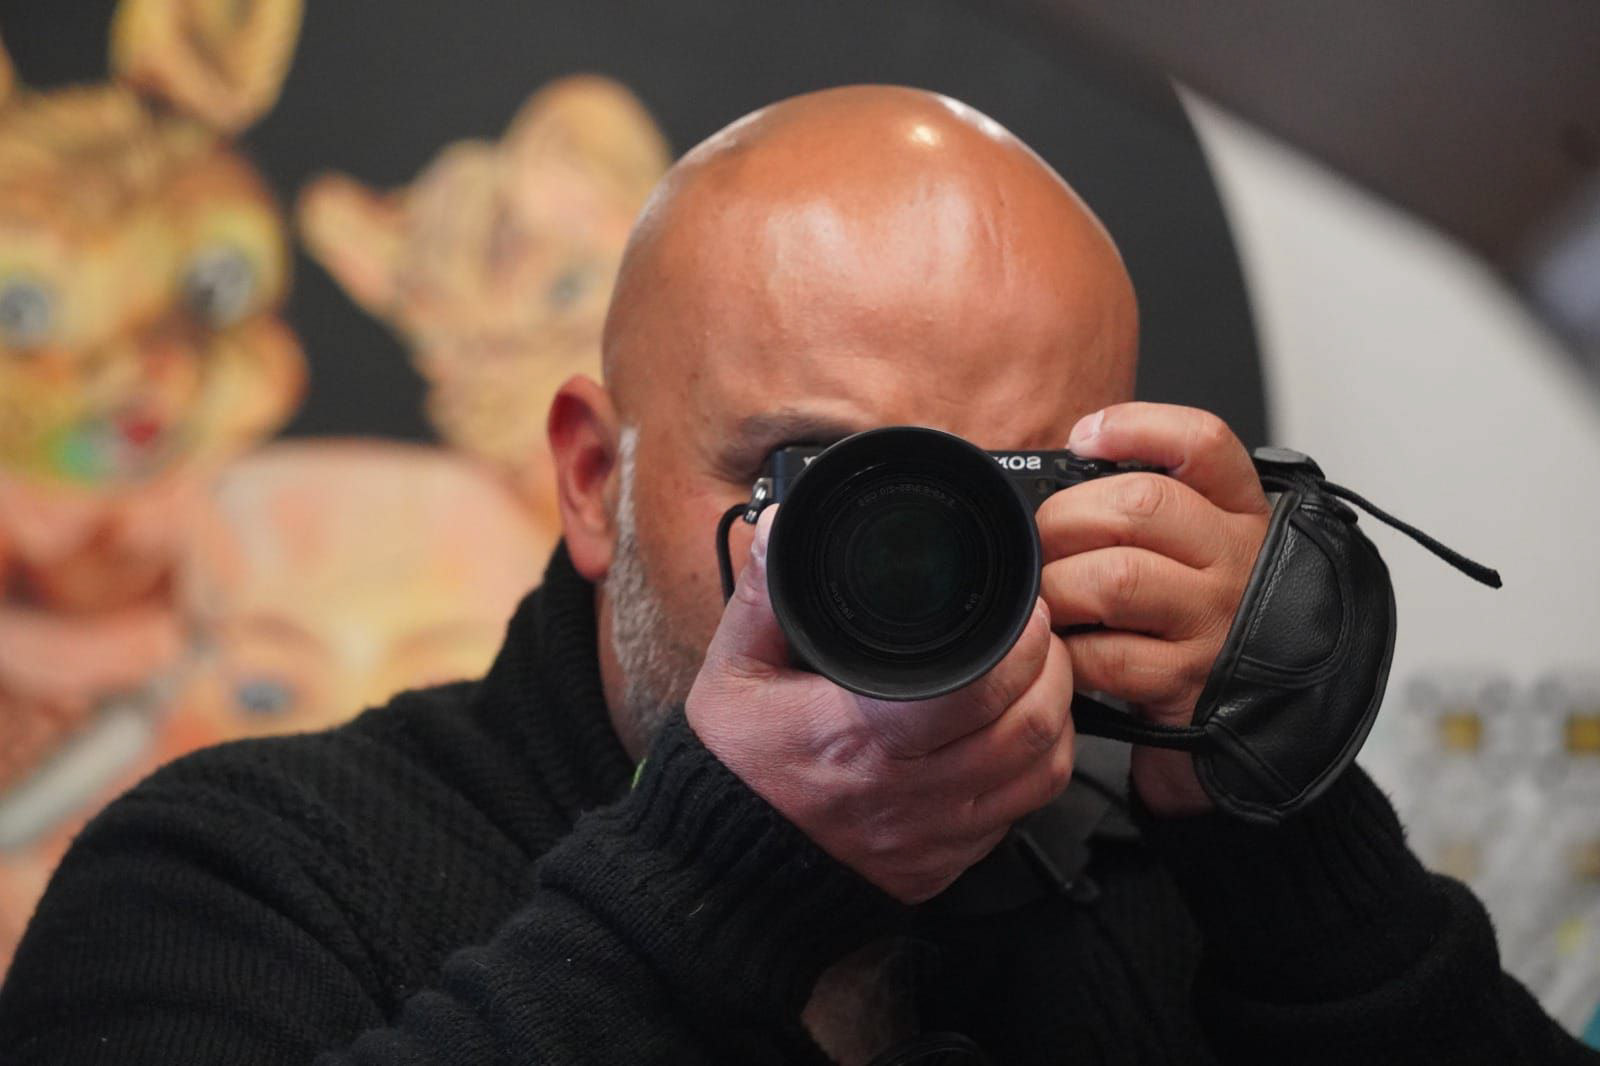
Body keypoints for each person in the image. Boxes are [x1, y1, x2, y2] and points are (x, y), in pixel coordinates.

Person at [0, 85, 1592, 1066]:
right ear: (589, 474)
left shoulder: (1139, 903)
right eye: (809, 477)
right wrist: (717, 878)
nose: (909, 564)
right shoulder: (239, 876)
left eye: (1004, 487)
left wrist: (1275, 814)